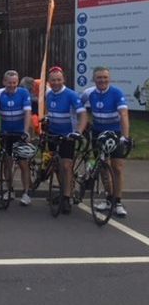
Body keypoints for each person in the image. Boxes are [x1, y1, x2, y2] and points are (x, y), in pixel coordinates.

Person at [81, 66, 130, 217]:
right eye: (99, 78)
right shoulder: (88, 93)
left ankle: (118, 202)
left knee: (118, 167)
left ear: (109, 78)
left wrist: (125, 137)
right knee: (103, 166)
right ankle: (109, 199)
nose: (102, 80)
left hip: (114, 133)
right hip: (97, 133)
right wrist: (84, 125)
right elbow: (79, 109)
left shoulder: (117, 93)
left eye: (105, 77)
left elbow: (123, 115)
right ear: (94, 79)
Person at [45, 66, 87, 214]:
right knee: (55, 165)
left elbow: (83, 114)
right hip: (52, 134)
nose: (56, 82)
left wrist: (78, 132)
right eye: (53, 80)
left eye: (59, 80)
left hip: (68, 135)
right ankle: (63, 190)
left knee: (66, 165)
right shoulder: (49, 95)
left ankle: (67, 197)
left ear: (63, 80)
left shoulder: (71, 95)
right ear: (49, 82)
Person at [0, 70, 33, 206]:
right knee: (7, 162)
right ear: (4, 82)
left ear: (17, 82)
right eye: (9, 83)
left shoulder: (24, 93)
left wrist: (25, 131)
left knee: (23, 163)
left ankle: (26, 192)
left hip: (19, 132)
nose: (12, 85)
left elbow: (28, 113)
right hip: (6, 133)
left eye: (14, 83)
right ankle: (10, 189)